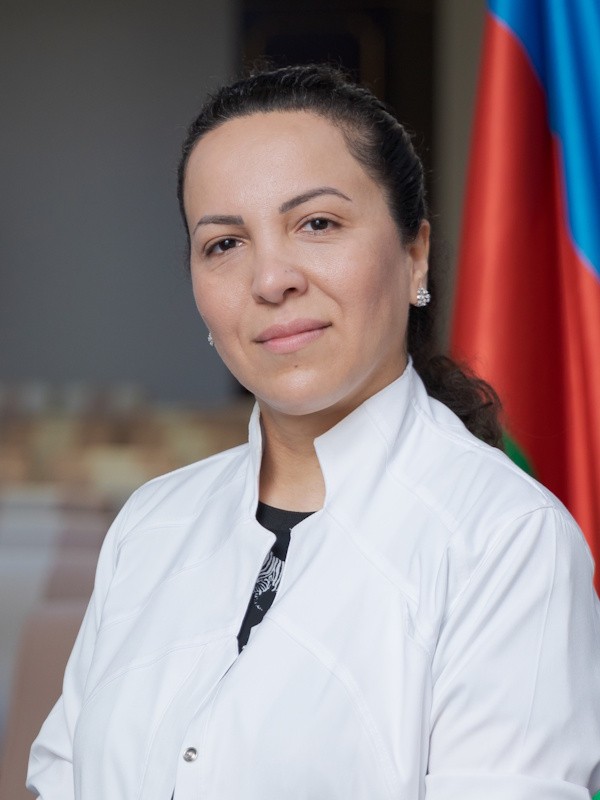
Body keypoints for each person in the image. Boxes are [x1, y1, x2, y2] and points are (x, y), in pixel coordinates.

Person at [27, 64, 600, 800]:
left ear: (415, 253)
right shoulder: (150, 524)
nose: (271, 280)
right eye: (224, 243)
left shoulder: (505, 541)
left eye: (317, 224)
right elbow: (62, 777)